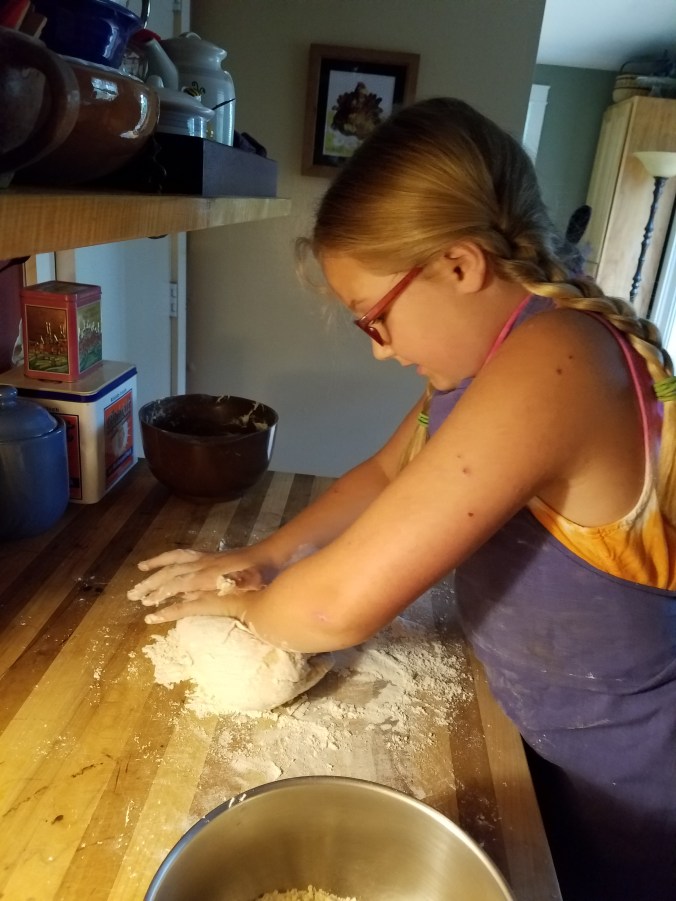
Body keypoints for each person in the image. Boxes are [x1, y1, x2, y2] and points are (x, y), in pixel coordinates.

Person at [128, 97, 676, 900]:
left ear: (459, 265)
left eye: (374, 320)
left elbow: (336, 608)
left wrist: (247, 611)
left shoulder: (554, 359)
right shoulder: (496, 360)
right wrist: (257, 557)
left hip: (638, 789)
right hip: (557, 745)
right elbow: (383, 476)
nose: (382, 352)